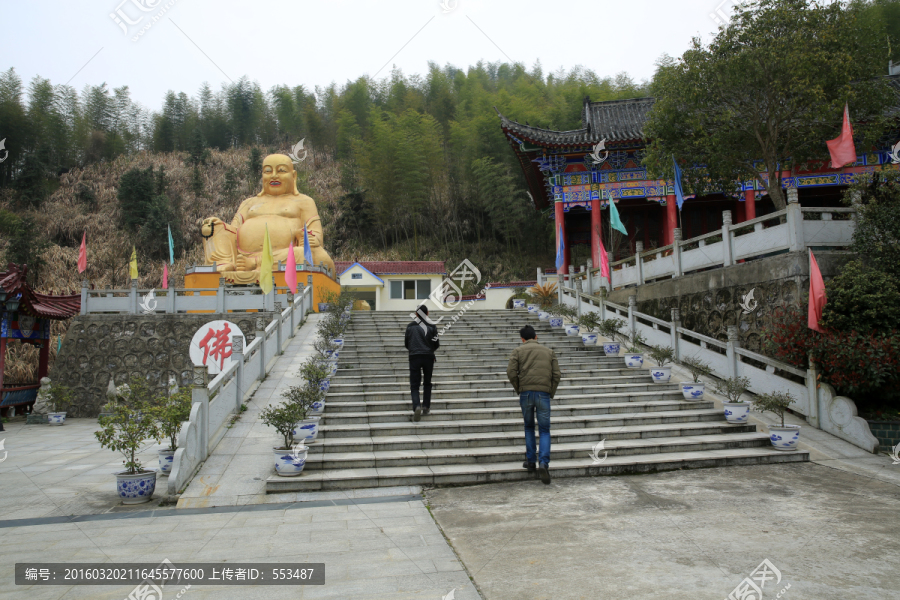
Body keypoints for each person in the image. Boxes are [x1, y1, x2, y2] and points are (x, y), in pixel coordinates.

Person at [506, 324, 560, 485]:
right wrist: (550, 391)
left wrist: (519, 388)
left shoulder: (517, 351)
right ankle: (543, 462)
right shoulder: (549, 352)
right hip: (543, 393)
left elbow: (510, 372)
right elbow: (557, 374)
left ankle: (530, 461)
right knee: (544, 430)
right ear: (536, 337)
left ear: (522, 339)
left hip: (526, 393)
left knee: (529, 426)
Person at [405, 305, 440, 422]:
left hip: (414, 357)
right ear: (427, 313)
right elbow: (436, 344)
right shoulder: (432, 326)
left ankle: (416, 406)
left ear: (416, 314)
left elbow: (406, 343)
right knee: (427, 383)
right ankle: (426, 406)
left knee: (414, 384)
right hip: (428, 357)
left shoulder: (410, 327)